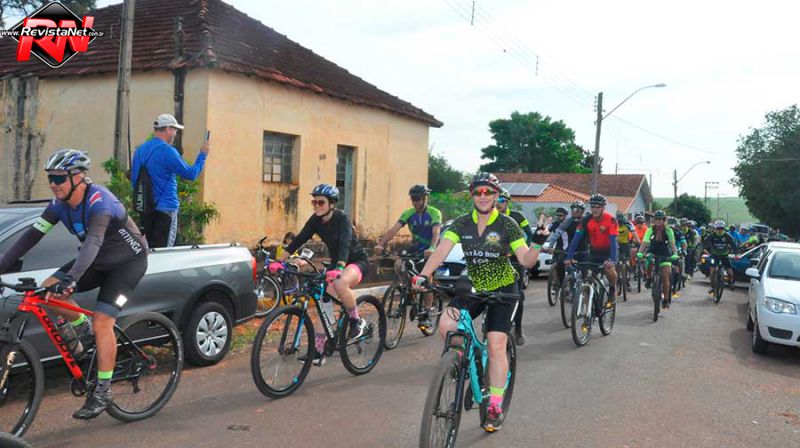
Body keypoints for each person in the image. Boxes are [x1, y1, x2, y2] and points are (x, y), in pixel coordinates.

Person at [0, 149, 148, 419]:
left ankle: (103, 391)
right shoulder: (58, 205)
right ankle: (85, 334)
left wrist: (72, 279)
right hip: (96, 261)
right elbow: (31, 236)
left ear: (78, 177)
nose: (53, 184)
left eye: (59, 178)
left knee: (103, 321)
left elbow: (94, 242)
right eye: (50, 178)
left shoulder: (100, 202)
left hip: (127, 263)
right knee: (47, 292)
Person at [412, 173, 540, 432]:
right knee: (447, 325)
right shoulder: (461, 223)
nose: (483, 196)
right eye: (478, 192)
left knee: (495, 344)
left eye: (488, 192)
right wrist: (424, 275)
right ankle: (463, 361)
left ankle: (495, 403)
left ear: (496, 195)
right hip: (474, 286)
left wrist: (538, 242)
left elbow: (526, 260)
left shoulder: (507, 224)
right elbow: (441, 251)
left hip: (504, 290)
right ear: (472, 195)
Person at [271, 184, 371, 365]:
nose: (316, 206)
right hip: (336, 265)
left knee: (340, 283)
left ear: (332, 204)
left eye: (321, 202)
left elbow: (345, 244)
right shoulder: (316, 220)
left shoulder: (342, 219)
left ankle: (356, 322)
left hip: (356, 261)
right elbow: (299, 240)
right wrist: (279, 261)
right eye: (314, 202)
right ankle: (318, 352)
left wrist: (339, 267)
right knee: (323, 306)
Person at [131, 113, 209, 248]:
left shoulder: (140, 151)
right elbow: (191, 174)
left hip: (146, 209)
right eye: (175, 129)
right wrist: (203, 155)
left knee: (149, 250)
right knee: (164, 252)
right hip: (166, 209)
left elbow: (134, 181)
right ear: (167, 129)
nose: (176, 133)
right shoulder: (168, 151)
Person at [375, 184, 442, 329]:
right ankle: (410, 293)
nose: (415, 202)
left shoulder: (434, 212)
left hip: (432, 248)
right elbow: (394, 229)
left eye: (417, 199)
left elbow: (436, 232)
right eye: (413, 199)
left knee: (426, 278)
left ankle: (427, 312)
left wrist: (432, 248)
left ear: (425, 198)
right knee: (399, 265)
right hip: (415, 248)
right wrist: (381, 244)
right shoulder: (409, 213)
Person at [496, 189, 537, 345]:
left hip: (515, 258)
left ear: (507, 202)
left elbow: (529, 235)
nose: (498, 204)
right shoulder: (489, 217)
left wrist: (521, 253)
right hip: (496, 258)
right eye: (497, 200)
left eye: (502, 201)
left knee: (517, 294)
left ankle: (518, 329)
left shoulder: (517, 216)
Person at [565, 194, 619, 305]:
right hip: (594, 252)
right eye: (592, 206)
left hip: (608, 252)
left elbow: (613, 241)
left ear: (603, 207)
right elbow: (575, 240)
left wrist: (612, 260)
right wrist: (569, 257)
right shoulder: (586, 221)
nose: (594, 209)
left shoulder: (611, 220)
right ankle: (588, 310)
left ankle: (612, 289)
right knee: (587, 279)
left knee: (610, 271)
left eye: (597, 207)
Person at [636, 210, 678, 309]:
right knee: (649, 261)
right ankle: (649, 278)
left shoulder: (669, 230)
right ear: (653, 220)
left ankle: (666, 300)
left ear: (664, 220)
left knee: (665, 276)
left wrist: (675, 254)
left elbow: (672, 244)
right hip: (653, 250)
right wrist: (640, 252)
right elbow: (645, 242)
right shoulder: (650, 230)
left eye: (660, 219)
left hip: (665, 253)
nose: (658, 222)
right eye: (656, 219)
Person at [545, 201, 587, 288]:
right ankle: (561, 284)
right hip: (570, 249)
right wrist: (550, 246)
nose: (575, 211)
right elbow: (557, 233)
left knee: (585, 270)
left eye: (577, 210)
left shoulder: (586, 221)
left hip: (584, 249)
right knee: (560, 263)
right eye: (573, 209)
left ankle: (585, 286)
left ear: (582, 211)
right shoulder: (567, 222)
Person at [704, 220, 738, 294]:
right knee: (712, 271)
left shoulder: (727, 236)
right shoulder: (712, 235)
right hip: (715, 255)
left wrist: (735, 254)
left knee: (730, 273)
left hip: (725, 255)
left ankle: (730, 282)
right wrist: (707, 250)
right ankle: (712, 286)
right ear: (715, 228)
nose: (719, 230)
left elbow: (733, 245)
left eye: (721, 228)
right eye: (718, 228)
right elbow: (705, 243)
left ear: (724, 229)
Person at [616, 211, 640, 293]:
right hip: (616, 244)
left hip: (626, 244)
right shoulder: (613, 224)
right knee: (616, 262)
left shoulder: (628, 224)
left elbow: (634, 234)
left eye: (621, 222)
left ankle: (628, 281)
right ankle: (617, 279)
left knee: (627, 263)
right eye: (618, 222)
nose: (619, 224)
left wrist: (638, 242)